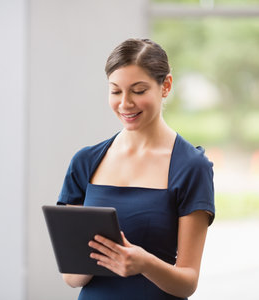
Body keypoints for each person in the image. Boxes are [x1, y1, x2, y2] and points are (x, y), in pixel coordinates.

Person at [57, 38, 215, 300]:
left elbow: (188, 281)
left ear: (165, 86)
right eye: (116, 91)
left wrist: (144, 263)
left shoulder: (190, 167)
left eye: (138, 90)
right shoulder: (84, 162)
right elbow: (71, 278)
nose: (125, 103)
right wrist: (94, 257)